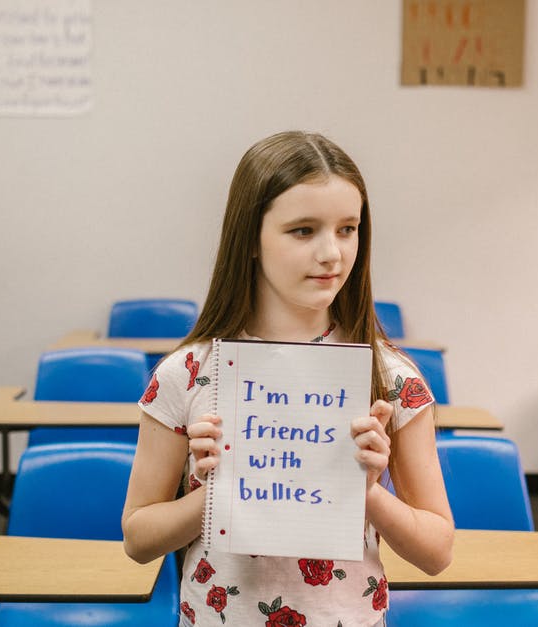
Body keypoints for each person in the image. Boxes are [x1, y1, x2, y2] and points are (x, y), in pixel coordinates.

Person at [122, 131, 453, 627]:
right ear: (249, 240)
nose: (332, 253)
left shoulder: (392, 378)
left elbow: (436, 551)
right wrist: (213, 495)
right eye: (303, 230)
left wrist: (365, 491)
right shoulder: (188, 374)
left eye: (347, 229)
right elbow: (138, 538)